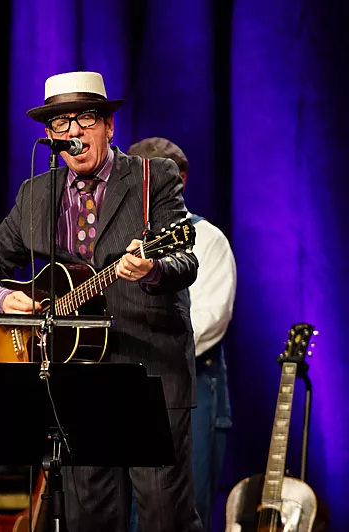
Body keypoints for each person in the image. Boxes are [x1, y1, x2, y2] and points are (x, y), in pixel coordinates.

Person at [0, 71, 203, 532]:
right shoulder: (37, 193)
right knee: (89, 516)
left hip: (149, 370)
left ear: (108, 126)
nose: (73, 131)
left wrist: (151, 269)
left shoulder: (154, 177)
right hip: (75, 379)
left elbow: (184, 261)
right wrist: (2, 297)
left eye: (85, 119)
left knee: (164, 517)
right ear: (51, 136)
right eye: (61, 123)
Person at [126, 137, 236, 532]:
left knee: (181, 511)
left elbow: (211, 319)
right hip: (130, 387)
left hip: (191, 386)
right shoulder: (120, 237)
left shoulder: (207, 239)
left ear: (180, 180)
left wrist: (145, 343)